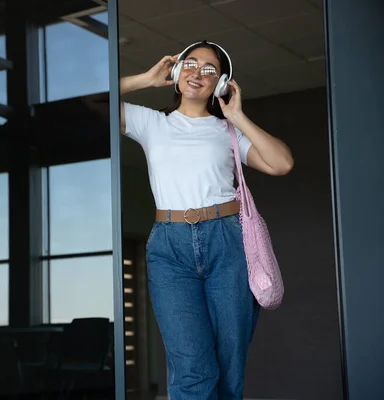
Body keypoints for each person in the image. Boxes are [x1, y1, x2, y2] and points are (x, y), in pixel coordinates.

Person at [119, 41, 294, 399]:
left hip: (227, 244)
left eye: (209, 69)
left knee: (229, 369)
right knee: (192, 370)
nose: (197, 73)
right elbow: (87, 100)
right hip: (169, 249)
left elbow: (282, 163)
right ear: (175, 72)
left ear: (222, 81)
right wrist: (145, 79)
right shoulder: (150, 122)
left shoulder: (228, 132)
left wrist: (237, 116)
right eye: (189, 64)